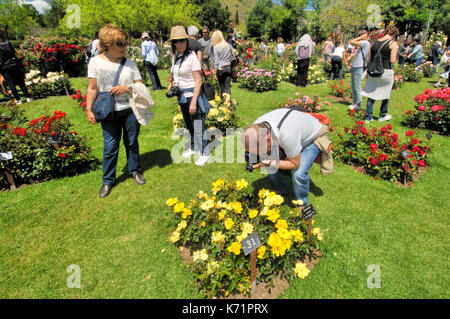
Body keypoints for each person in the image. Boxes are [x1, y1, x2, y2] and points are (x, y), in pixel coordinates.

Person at [85, 24, 146, 198]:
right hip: (108, 111)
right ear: (108, 44)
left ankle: (134, 170)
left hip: (129, 110)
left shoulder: (130, 64)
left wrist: (127, 88)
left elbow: (140, 85)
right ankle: (108, 180)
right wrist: (88, 109)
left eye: (125, 43)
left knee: (132, 141)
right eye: (120, 44)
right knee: (110, 146)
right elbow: (92, 87)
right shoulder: (95, 62)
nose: (125, 47)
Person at [243, 108, 333, 205]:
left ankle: (302, 203)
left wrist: (269, 162)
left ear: (268, 138)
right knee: (269, 160)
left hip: (314, 136)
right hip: (294, 130)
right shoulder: (255, 128)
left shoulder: (287, 135)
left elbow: (295, 164)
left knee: (298, 173)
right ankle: (282, 190)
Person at [167, 26, 211, 167]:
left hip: (193, 94)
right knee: (188, 123)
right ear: (173, 43)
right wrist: (172, 84)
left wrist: (193, 102)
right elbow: (176, 75)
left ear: (186, 41)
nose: (180, 44)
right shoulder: (175, 57)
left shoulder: (192, 57)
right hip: (181, 95)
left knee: (198, 123)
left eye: (182, 41)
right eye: (176, 41)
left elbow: (198, 81)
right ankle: (194, 146)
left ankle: (204, 152)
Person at [362, 24, 399, 123]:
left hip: (374, 71)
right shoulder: (393, 44)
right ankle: (382, 115)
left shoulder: (374, 43)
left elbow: (368, 59)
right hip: (386, 71)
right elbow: (392, 61)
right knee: (386, 94)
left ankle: (368, 117)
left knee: (371, 94)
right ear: (394, 34)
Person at [0, 28, 33, 105]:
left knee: (10, 83)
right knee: (20, 81)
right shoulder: (8, 43)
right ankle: (28, 97)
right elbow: (13, 52)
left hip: (3, 66)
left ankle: (18, 100)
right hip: (13, 64)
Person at [348, 29, 370, 111]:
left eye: (362, 35)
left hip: (359, 67)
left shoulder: (365, 43)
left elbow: (351, 42)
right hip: (355, 67)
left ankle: (358, 106)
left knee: (357, 87)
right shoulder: (363, 44)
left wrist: (360, 37)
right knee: (353, 86)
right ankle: (354, 103)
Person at [212, 30, 234, 97]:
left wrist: (215, 72)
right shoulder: (229, 45)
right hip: (228, 67)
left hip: (220, 68)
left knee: (221, 87)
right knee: (227, 87)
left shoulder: (216, 47)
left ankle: (223, 103)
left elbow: (216, 61)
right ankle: (229, 103)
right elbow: (232, 56)